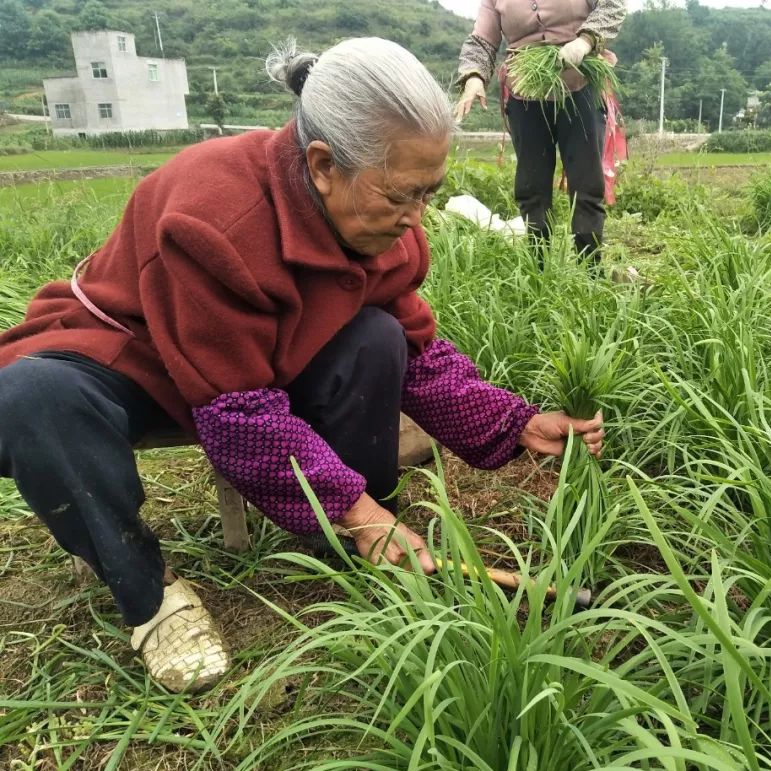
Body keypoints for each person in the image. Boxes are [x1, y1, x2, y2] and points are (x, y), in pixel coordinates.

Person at [0, 37, 604, 694]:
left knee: (377, 337)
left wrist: (516, 425)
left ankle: (357, 535)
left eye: (430, 192)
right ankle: (149, 596)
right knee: (33, 397)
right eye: (403, 194)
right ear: (321, 165)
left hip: (257, 360)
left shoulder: (381, 225)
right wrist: (355, 509)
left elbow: (422, 357)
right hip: (135, 360)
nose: (416, 219)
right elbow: (239, 413)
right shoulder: (213, 218)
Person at [455, 1, 627, 269]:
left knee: (587, 185)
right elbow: (482, 40)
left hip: (580, 86)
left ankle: (590, 270)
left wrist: (584, 41)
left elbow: (612, 5)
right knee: (531, 187)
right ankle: (539, 271)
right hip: (525, 93)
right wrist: (474, 77)